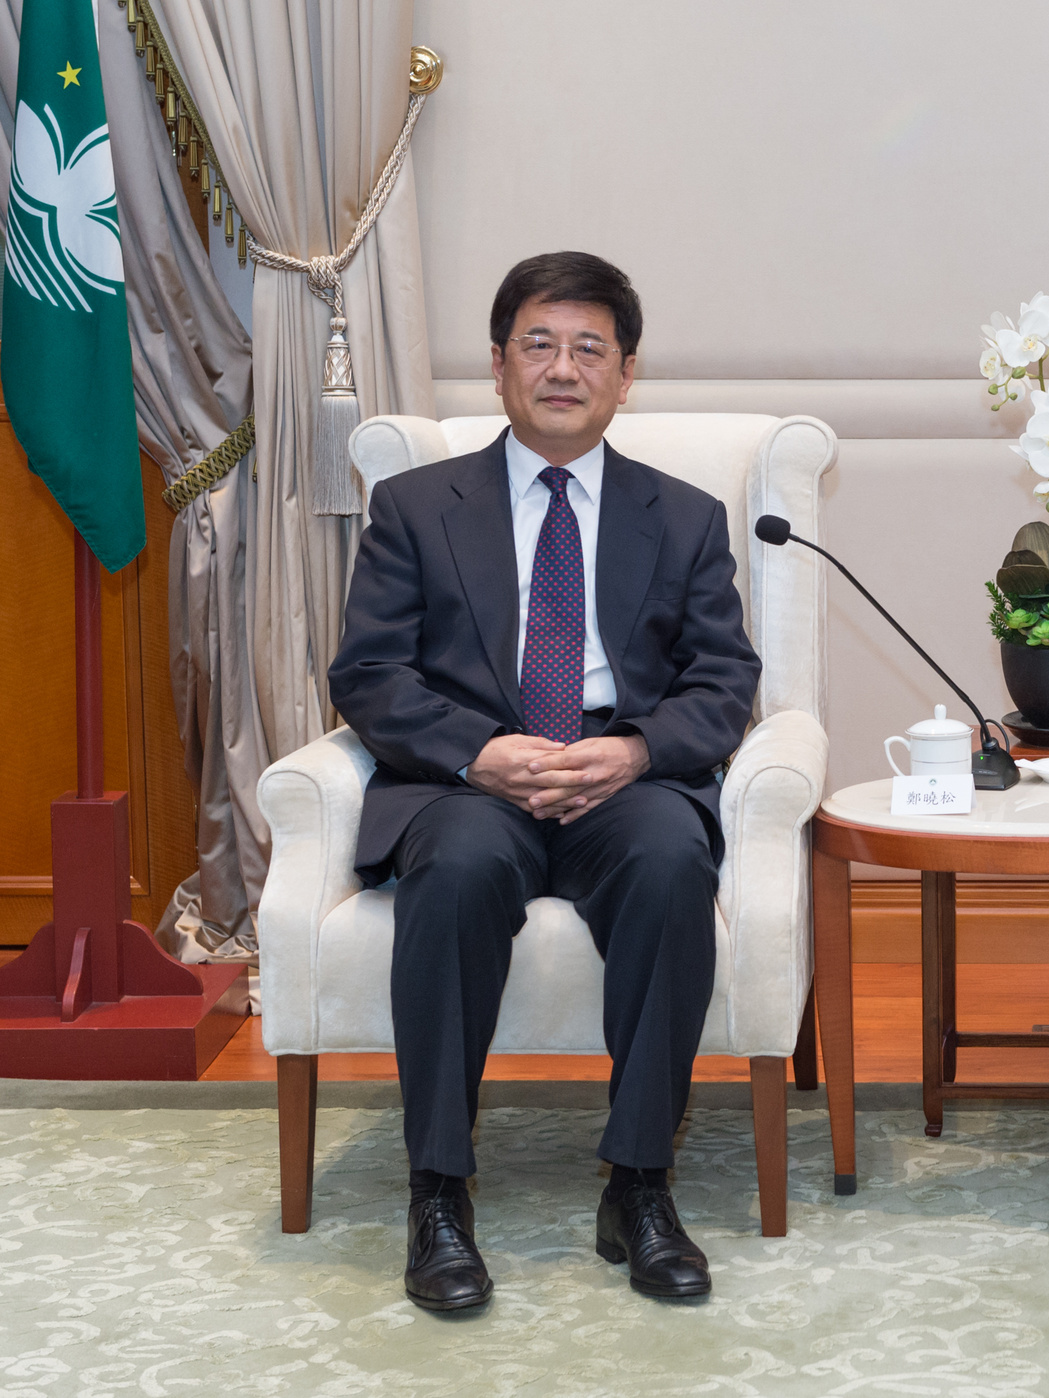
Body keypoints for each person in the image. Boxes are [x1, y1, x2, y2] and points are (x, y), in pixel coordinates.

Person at [329, 251, 761, 1311]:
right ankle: (438, 1196)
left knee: (671, 861)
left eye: (589, 350)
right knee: (456, 870)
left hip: (622, 772)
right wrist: (479, 752)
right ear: (498, 364)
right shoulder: (416, 507)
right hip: (470, 776)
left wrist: (637, 751)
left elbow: (723, 682)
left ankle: (641, 1185)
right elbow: (368, 675)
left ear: (625, 375)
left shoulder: (686, 517)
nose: (563, 369)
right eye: (539, 344)